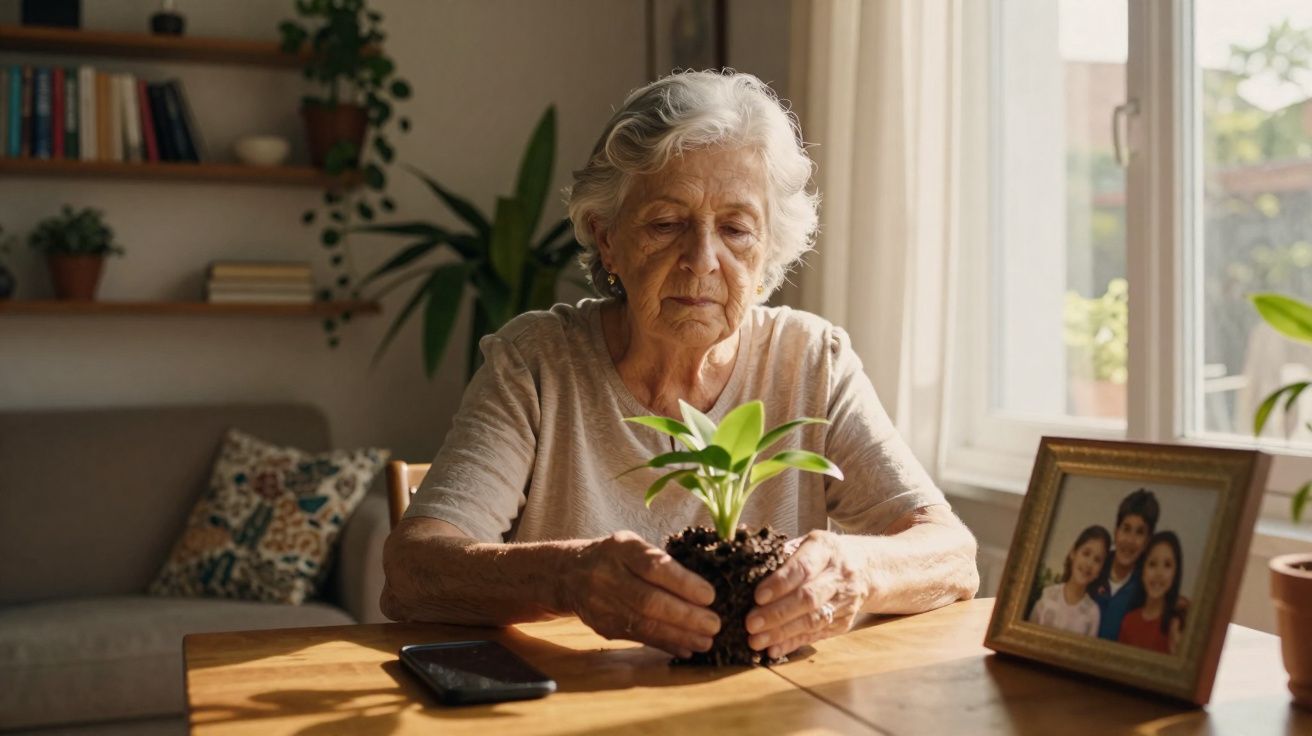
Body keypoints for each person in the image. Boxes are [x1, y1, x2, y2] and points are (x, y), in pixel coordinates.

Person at [380, 70, 979, 662]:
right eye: (666, 225)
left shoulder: (811, 361)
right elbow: (412, 569)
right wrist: (570, 576)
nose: (702, 259)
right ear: (607, 238)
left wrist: (856, 571)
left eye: (736, 228)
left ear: (770, 248)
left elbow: (952, 554)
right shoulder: (536, 363)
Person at [1092, 488, 1159, 640]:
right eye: (1126, 529)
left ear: (1148, 541)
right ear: (1116, 531)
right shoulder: (1093, 567)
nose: (1130, 540)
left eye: (1140, 532)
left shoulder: (1147, 587)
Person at [1028, 525, 1110, 636]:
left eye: (1097, 560)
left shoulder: (1093, 613)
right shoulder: (1048, 595)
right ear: (1073, 553)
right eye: (1086, 554)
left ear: (1100, 570)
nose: (1089, 564)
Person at [1117, 531, 1186, 654]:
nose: (1159, 573)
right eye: (1152, 564)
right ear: (1142, 570)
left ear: (1175, 574)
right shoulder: (1129, 621)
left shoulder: (1177, 626)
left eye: (1167, 565)